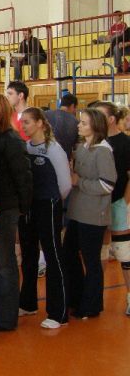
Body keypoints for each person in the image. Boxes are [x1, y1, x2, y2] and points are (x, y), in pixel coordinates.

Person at [0, 94, 32, 331]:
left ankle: (7, 316)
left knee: (5, 262)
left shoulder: (11, 140)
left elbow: (23, 176)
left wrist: (23, 207)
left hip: (6, 207)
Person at [19, 108, 71, 329]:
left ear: (40, 123)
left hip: (48, 204)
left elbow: (65, 184)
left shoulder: (54, 149)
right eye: (22, 122)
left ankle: (59, 312)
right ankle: (28, 302)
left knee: (52, 254)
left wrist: (53, 201)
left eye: (27, 122)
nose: (24, 126)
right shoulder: (26, 147)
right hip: (29, 206)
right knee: (28, 253)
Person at [64, 108, 117, 319]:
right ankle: (77, 297)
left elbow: (107, 184)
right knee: (70, 253)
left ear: (95, 126)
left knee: (91, 260)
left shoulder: (103, 151)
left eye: (84, 123)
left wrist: (80, 182)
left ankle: (92, 304)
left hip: (93, 215)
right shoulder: (82, 147)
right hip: (78, 212)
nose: (79, 126)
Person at [93, 102, 130, 316]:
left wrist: (124, 202)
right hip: (98, 203)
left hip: (118, 203)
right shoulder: (96, 142)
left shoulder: (125, 143)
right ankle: (95, 294)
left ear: (111, 119)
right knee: (100, 250)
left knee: (124, 251)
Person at [45, 93, 79, 159]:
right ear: (72, 106)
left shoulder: (46, 114)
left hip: (45, 155)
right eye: (75, 108)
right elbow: (76, 144)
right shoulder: (75, 121)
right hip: (64, 157)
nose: (75, 111)